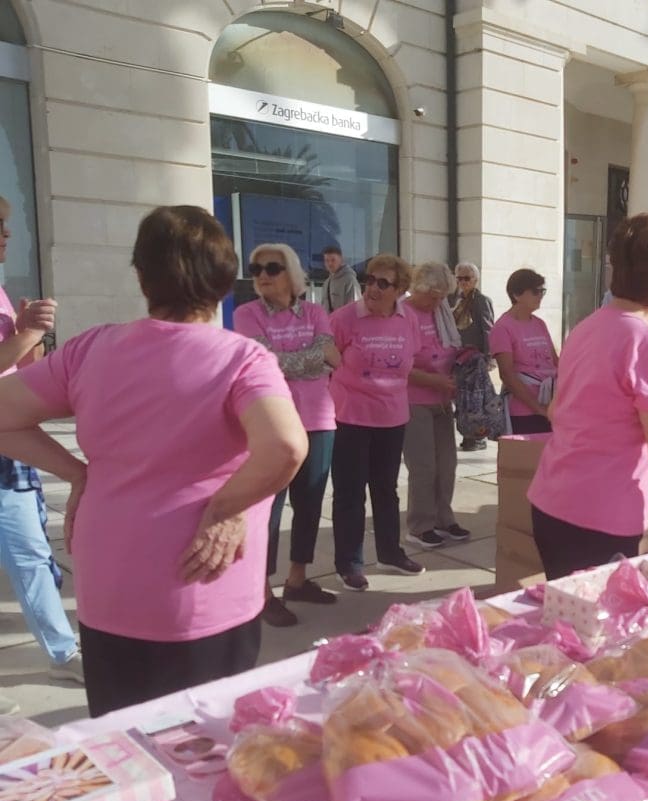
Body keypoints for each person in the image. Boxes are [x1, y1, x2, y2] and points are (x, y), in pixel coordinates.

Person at [0, 205, 307, 717]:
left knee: (124, 742)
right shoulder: (242, 359)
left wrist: (78, 473)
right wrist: (226, 507)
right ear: (224, 280)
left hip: (108, 588)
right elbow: (286, 447)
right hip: (204, 592)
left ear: (142, 278)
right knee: (202, 746)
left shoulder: (90, 349)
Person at [528, 213, 648, 579]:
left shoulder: (585, 328)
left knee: (569, 610)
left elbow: (556, 409)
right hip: (602, 517)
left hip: (551, 501)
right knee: (603, 614)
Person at [0, 198, 83, 715]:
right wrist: (29, 333)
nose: (7, 235)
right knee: (30, 552)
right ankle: (62, 652)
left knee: (32, 553)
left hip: (9, 445)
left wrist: (28, 343)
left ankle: (62, 651)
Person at [235, 244, 341, 628]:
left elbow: (334, 357)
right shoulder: (246, 314)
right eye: (256, 268)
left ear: (292, 273)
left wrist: (288, 360)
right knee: (268, 510)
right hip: (272, 424)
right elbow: (264, 363)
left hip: (319, 419)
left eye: (272, 268)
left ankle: (297, 579)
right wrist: (311, 358)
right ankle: (261, 593)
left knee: (310, 503)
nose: (262, 275)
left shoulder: (315, 311)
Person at [328, 254, 425, 590]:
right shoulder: (344, 318)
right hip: (350, 417)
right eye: (369, 280)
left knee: (386, 490)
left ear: (399, 290)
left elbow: (411, 359)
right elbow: (327, 359)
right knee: (350, 493)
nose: (372, 288)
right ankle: (349, 564)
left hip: (392, 417)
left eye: (383, 283)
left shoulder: (408, 319)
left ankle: (390, 552)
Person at [404, 262, 471, 551]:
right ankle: (420, 525)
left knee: (446, 464)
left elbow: (450, 347)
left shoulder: (441, 311)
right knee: (423, 466)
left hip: (442, 398)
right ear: (418, 288)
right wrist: (434, 380)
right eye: (433, 296)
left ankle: (444, 518)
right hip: (414, 398)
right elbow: (399, 364)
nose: (438, 302)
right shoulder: (402, 313)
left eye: (443, 296)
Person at [491, 268, 558, 434]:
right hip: (523, 411)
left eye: (542, 291)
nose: (540, 296)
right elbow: (507, 374)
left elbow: (555, 362)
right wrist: (538, 408)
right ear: (516, 295)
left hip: (550, 405)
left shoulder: (540, 323)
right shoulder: (503, 327)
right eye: (535, 291)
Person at [452, 262, 496, 450]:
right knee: (461, 399)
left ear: (475, 280)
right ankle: (467, 434)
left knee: (476, 400)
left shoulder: (481, 300)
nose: (463, 282)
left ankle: (478, 437)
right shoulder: (454, 300)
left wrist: (489, 357)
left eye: (467, 278)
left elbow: (488, 329)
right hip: (458, 359)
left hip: (475, 359)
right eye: (459, 278)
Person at [320, 245, 361, 313]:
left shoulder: (350, 280)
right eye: (327, 260)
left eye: (333, 260)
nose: (330, 263)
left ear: (341, 260)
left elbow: (354, 308)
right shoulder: (326, 283)